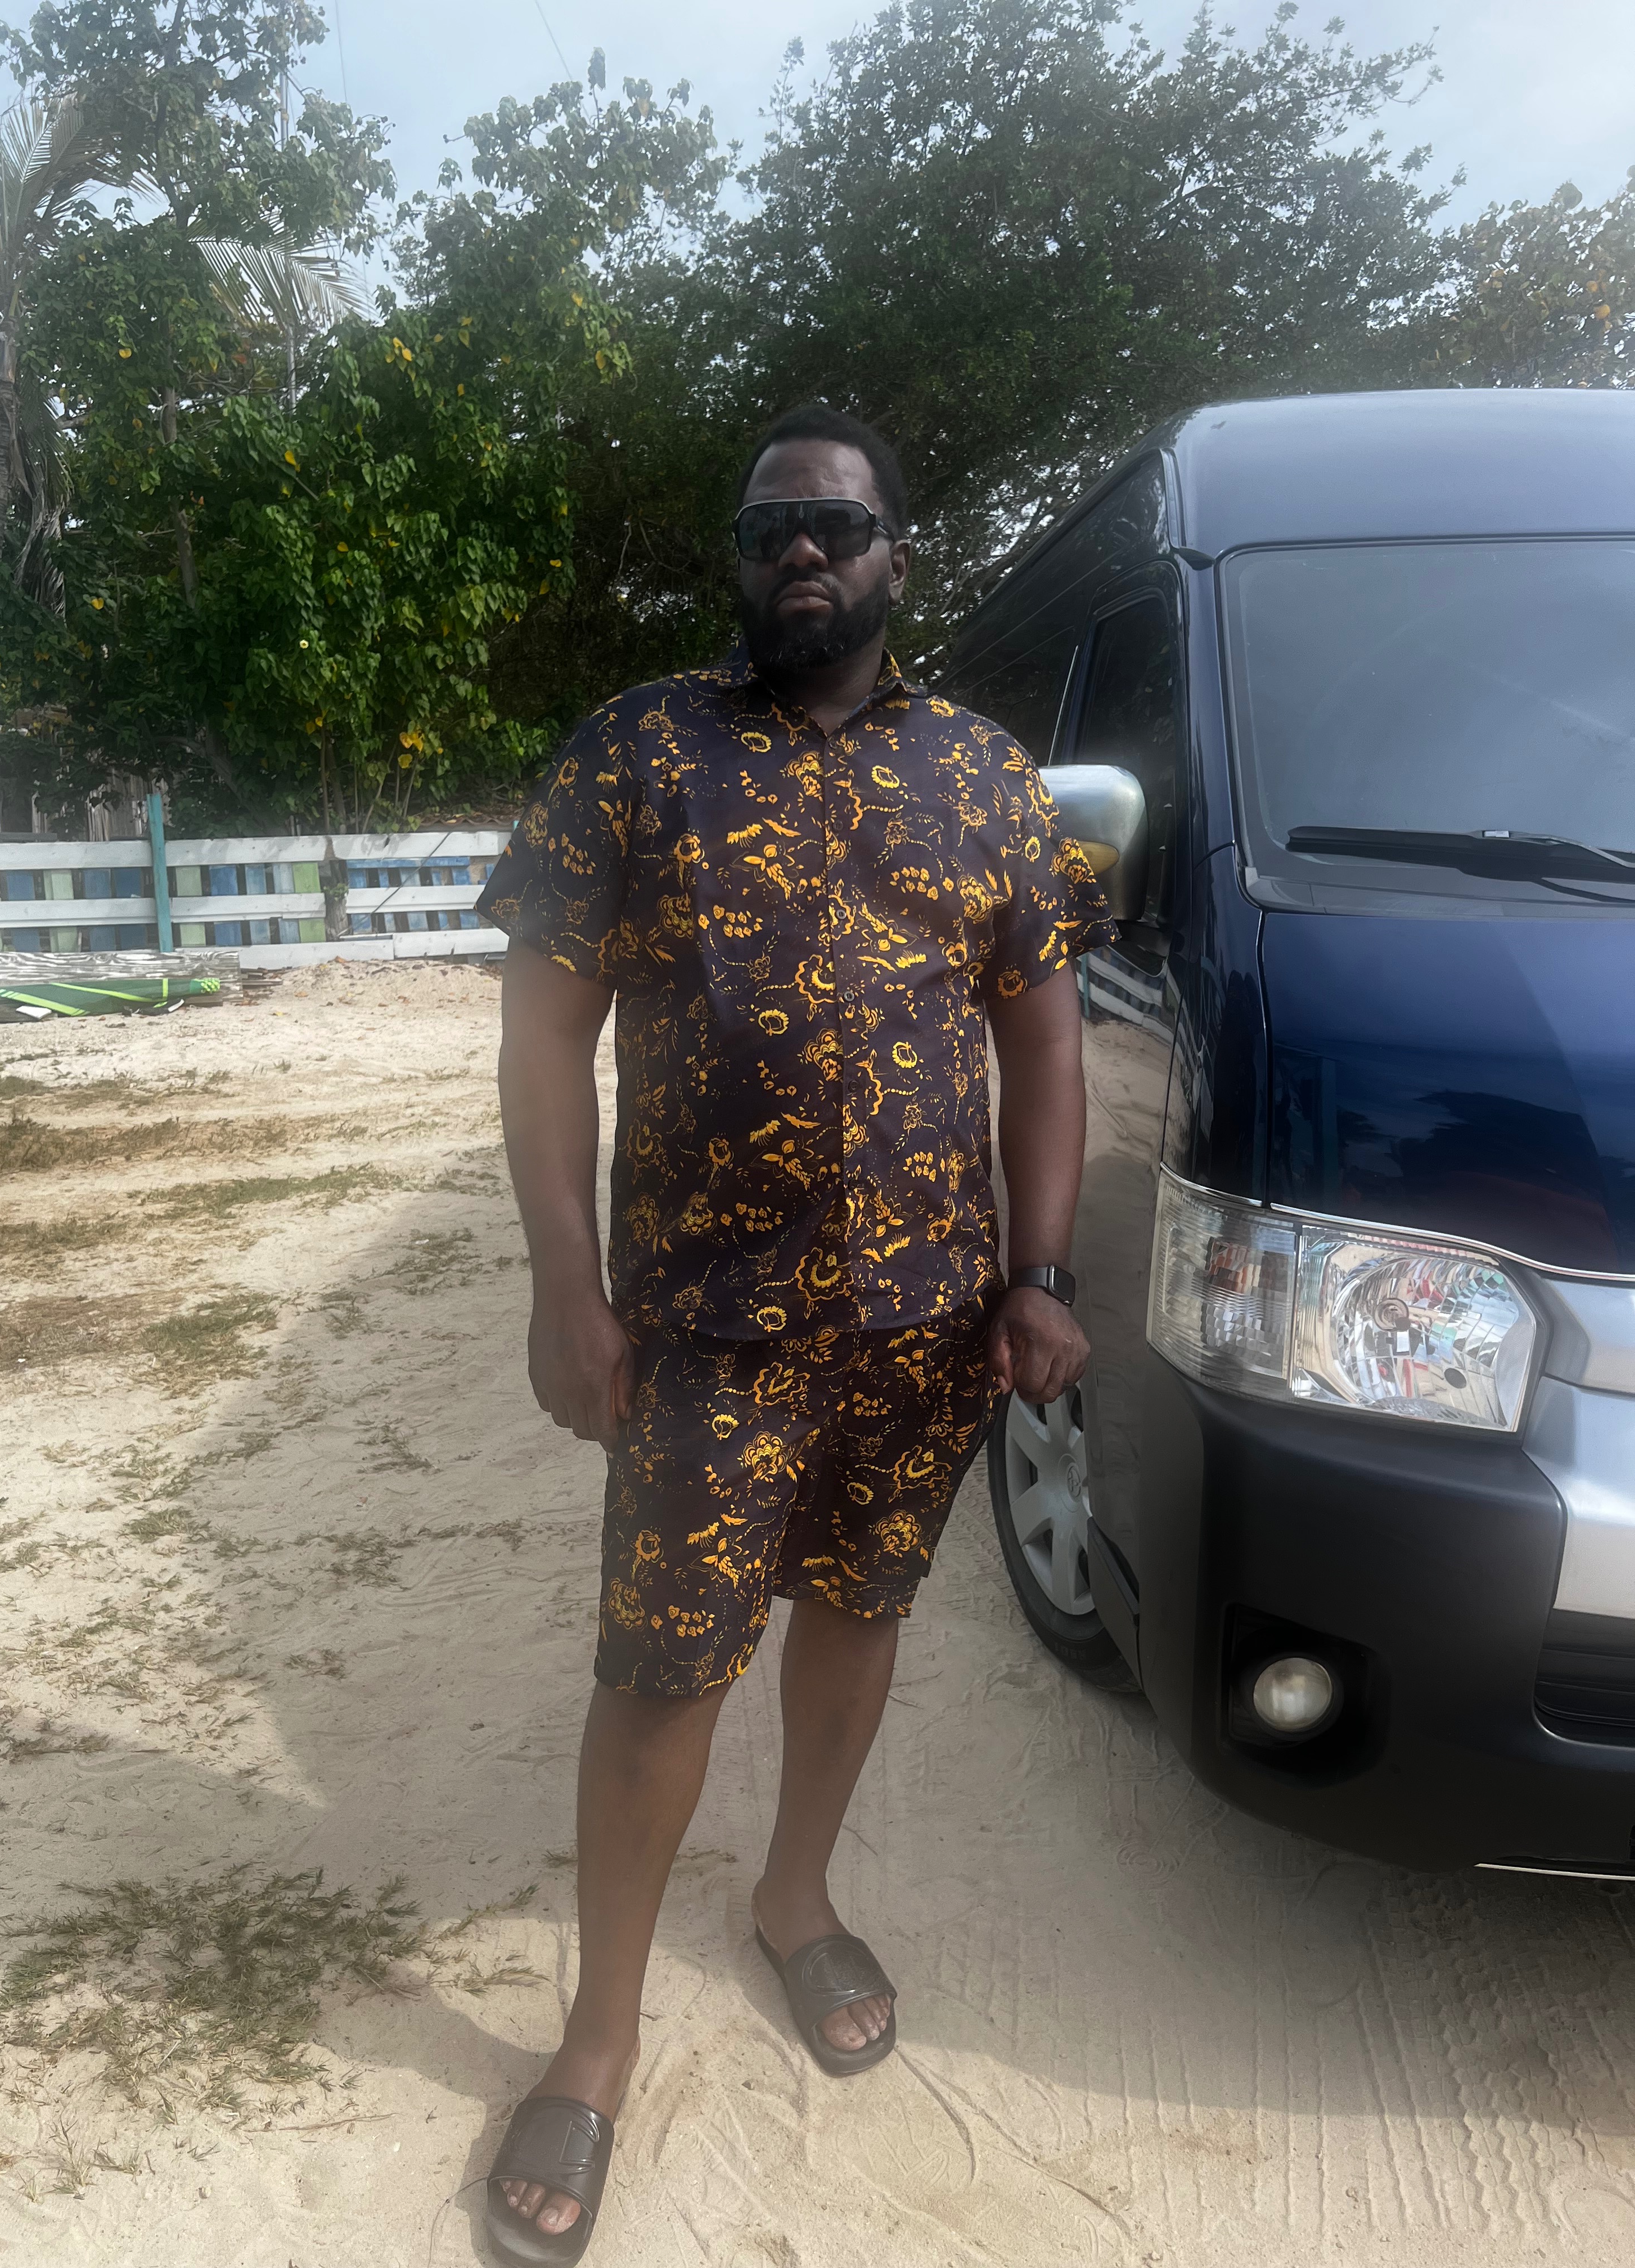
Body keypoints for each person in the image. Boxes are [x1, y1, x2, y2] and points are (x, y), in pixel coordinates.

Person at [481, 402, 1115, 2261]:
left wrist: (1043, 1273)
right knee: (663, 1669)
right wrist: (563, 1284)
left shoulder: (986, 777)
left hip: (921, 1328)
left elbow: (1044, 1041)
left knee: (859, 1613)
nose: (803, 550)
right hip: (703, 1331)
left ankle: (795, 1897)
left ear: (899, 553)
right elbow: (543, 1038)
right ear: (745, 561)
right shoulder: (637, 754)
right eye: (770, 529)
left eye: (836, 522)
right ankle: (600, 2037)